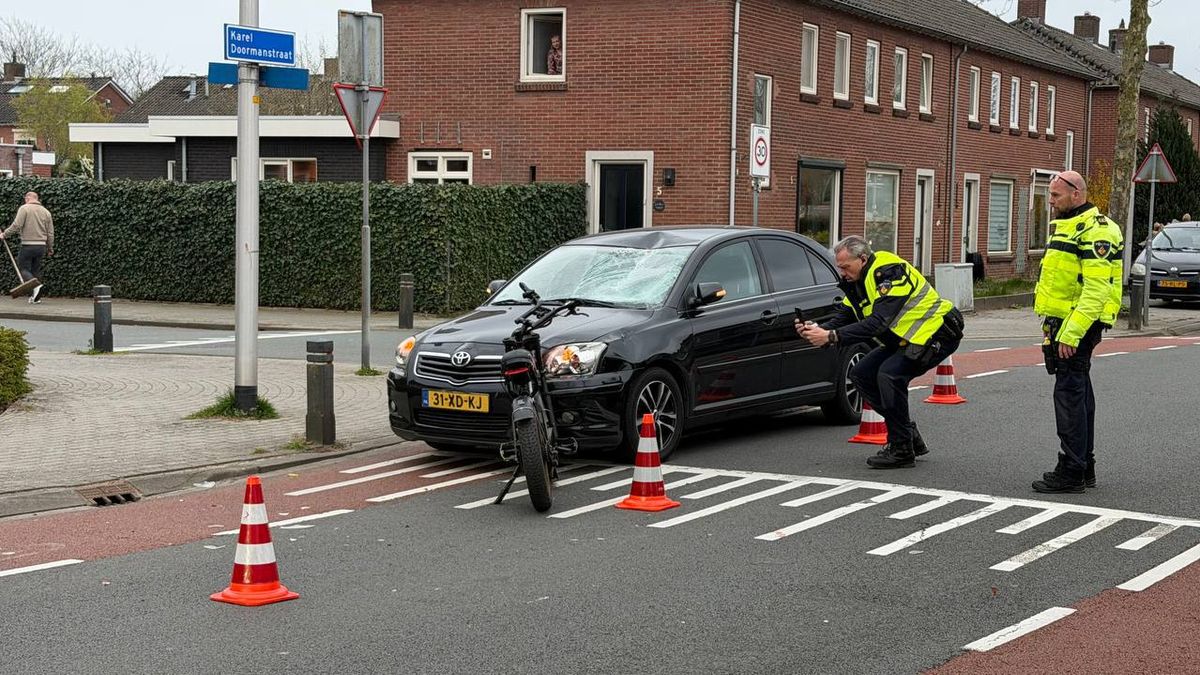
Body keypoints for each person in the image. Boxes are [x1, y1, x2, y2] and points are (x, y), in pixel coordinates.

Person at [796, 235, 964, 469]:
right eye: (840, 267)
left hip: (937, 332)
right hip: (906, 340)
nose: (842, 272)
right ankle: (907, 434)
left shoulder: (889, 272)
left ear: (863, 259)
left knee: (889, 375)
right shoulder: (857, 281)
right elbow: (845, 316)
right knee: (861, 374)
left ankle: (902, 449)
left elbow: (878, 322)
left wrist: (832, 336)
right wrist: (817, 329)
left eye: (846, 267)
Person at [1031, 170, 1123, 494]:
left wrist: (1071, 334)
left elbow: (1096, 290)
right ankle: (1084, 466)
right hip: (1065, 321)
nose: (1050, 201)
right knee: (1078, 391)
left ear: (1076, 194)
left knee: (1069, 394)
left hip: (1077, 324)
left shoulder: (1096, 231)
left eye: (1055, 196)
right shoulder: (1068, 226)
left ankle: (1071, 470)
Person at [0, 191, 53, 304]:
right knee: (35, 270)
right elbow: (50, 233)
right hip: (41, 247)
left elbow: (17, 225)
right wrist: (50, 248)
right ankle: (36, 298)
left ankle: (36, 286)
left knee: (23, 268)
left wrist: (4, 234)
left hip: (28, 245)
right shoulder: (46, 212)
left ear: (27, 198)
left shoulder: (24, 208)